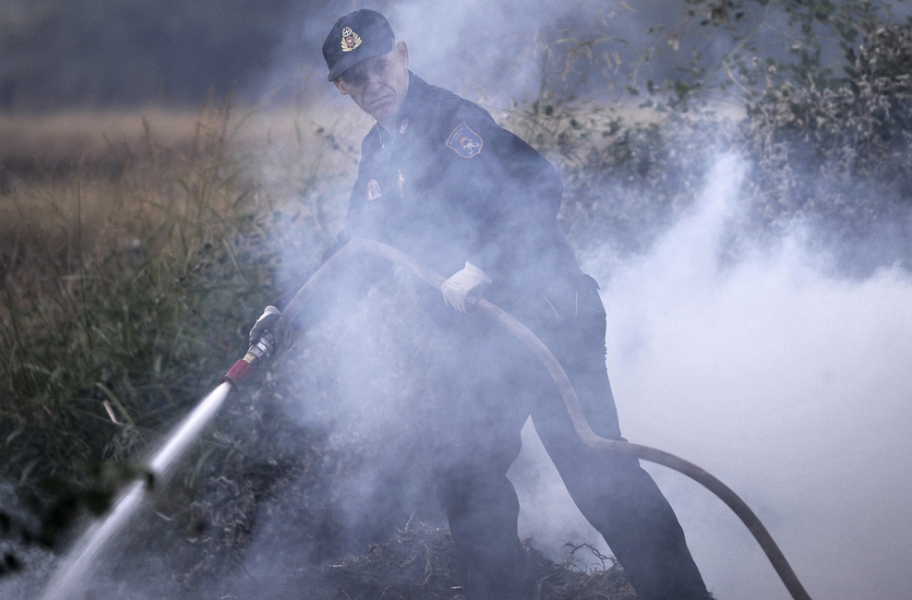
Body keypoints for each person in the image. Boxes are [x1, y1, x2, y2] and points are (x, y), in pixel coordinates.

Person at [251, 9, 712, 600]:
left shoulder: (455, 123)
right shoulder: (379, 152)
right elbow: (359, 253)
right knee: (466, 477)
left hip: (549, 320)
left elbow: (540, 183)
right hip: (486, 346)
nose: (373, 85)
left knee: (599, 478)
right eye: (356, 79)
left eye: (380, 67)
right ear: (342, 88)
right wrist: (288, 315)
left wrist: (483, 263)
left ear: (403, 55)